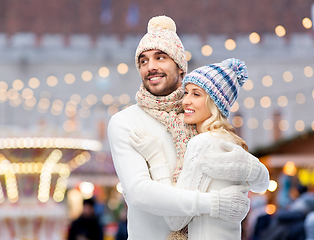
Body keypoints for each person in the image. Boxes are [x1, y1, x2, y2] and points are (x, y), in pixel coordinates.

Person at [108, 15, 257, 239]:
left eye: (160, 57)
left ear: (180, 66)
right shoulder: (126, 121)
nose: (151, 67)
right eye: (143, 61)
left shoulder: (199, 115)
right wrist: (214, 204)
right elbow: (139, 192)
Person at [129, 58, 270, 239]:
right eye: (186, 93)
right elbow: (261, 183)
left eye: (196, 94)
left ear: (215, 103)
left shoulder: (203, 143)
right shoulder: (231, 143)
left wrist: (157, 158)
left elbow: (175, 219)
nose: (185, 101)